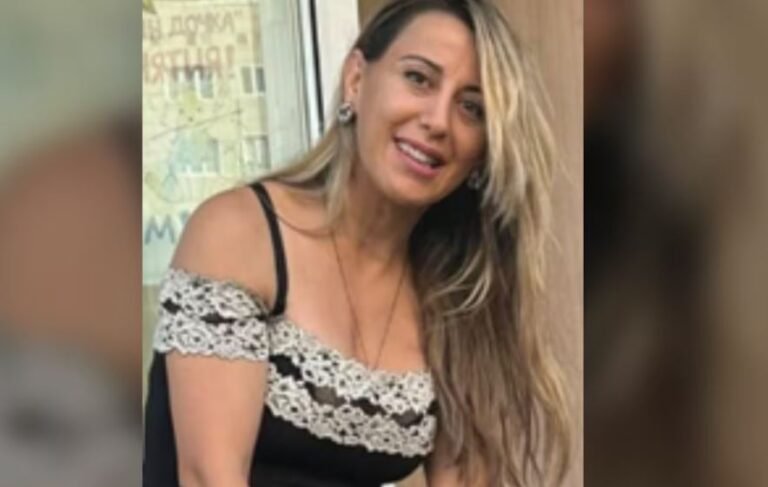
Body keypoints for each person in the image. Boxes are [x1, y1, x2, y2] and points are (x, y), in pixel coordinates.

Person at [143, 0, 570, 485]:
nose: (438, 121)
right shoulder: (240, 234)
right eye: (418, 79)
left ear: (484, 151)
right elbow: (207, 477)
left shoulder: (455, 296)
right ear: (355, 81)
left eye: (471, 108)